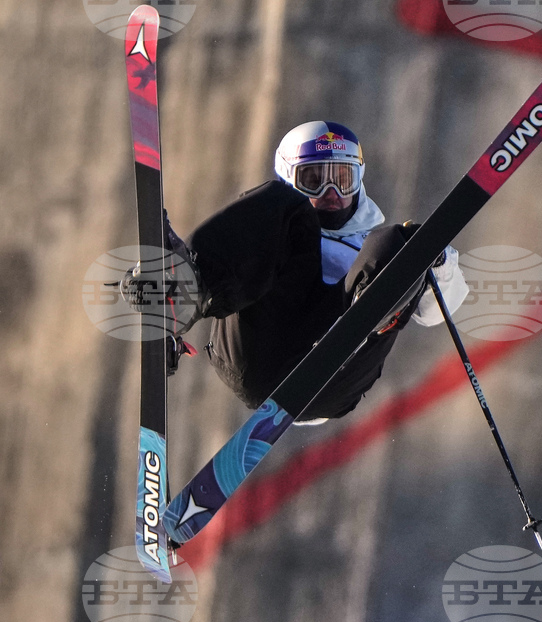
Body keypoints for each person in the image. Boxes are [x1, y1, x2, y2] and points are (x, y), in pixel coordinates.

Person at [128, 120, 469, 424]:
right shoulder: (280, 228)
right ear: (288, 173)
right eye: (313, 180)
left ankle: (361, 321)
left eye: (342, 179)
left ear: (359, 180)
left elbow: (437, 312)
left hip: (335, 375)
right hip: (258, 354)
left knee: (401, 241)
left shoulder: (373, 240)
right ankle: (182, 290)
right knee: (285, 207)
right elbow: (250, 240)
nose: (331, 193)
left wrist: (435, 258)